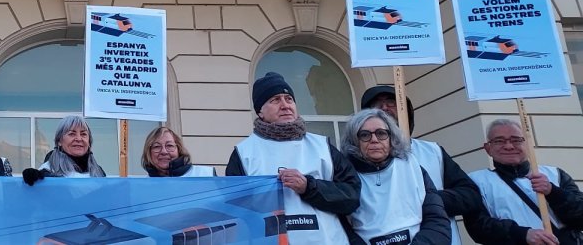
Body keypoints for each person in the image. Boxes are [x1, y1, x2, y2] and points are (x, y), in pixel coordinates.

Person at [225, 72, 360, 245]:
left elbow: (351, 196)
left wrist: (308, 187)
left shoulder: (322, 146)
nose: (285, 105)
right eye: (275, 100)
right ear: (260, 112)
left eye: (289, 99)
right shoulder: (244, 154)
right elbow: (236, 211)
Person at [362, 85, 481, 245]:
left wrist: (426, 200)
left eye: (391, 102)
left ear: (406, 111)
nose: (384, 107)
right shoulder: (358, 161)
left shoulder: (433, 152)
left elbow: (469, 195)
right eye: (377, 104)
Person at [340, 108, 452, 245]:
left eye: (381, 133)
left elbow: (437, 221)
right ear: (354, 141)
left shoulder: (412, 167)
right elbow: (341, 230)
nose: (374, 140)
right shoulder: (344, 177)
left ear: (391, 138)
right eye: (364, 135)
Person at [464, 119, 583, 245]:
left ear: (527, 144)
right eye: (499, 141)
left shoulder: (555, 174)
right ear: (488, 148)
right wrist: (522, 234)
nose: (509, 146)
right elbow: (478, 227)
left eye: (516, 140)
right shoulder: (476, 181)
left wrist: (553, 192)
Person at [22, 115, 105, 184]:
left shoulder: (99, 172)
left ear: (89, 142)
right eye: (72, 134)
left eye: (83, 134)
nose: (79, 139)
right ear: (59, 141)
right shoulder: (48, 170)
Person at [140, 126, 216, 178]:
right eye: (156, 146)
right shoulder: (141, 187)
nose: (163, 151)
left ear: (179, 149)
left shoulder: (205, 175)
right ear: (148, 152)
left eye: (169, 145)